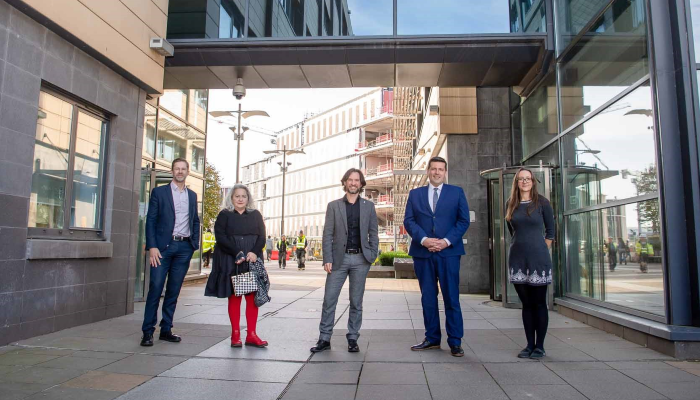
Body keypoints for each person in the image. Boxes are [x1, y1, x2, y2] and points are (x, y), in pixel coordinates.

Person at [404, 156, 470, 357]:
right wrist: (424, 240)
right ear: (428, 171)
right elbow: (409, 221)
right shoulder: (415, 194)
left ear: (445, 171)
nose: (437, 172)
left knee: (452, 297)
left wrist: (445, 241)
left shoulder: (456, 193)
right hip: (423, 253)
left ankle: (455, 341)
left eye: (441, 169)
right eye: (433, 169)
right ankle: (432, 338)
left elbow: (463, 221)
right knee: (428, 298)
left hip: (449, 253)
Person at [310, 168, 378, 353]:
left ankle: (353, 338)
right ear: (345, 182)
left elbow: (373, 233)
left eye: (357, 180)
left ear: (361, 184)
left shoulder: (369, 206)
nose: (353, 183)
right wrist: (327, 258)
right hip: (338, 260)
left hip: (361, 260)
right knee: (329, 299)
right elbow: (327, 234)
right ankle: (324, 338)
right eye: (350, 180)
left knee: (356, 301)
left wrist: (372, 255)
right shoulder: (334, 206)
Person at [141, 158, 201, 347]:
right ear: (172, 171)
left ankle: (166, 329)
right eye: (177, 169)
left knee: (174, 291)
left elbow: (195, 221)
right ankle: (148, 332)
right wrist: (152, 247)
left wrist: (193, 245)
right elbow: (150, 221)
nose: (180, 172)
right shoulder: (159, 192)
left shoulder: (192, 195)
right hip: (162, 250)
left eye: (183, 169)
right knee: (156, 288)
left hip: (184, 249)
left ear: (187, 172)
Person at [204, 184, 268, 348]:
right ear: (231, 198)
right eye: (237, 196)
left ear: (248, 199)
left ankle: (252, 335)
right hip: (231, 260)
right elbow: (221, 237)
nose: (240, 199)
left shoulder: (255, 215)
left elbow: (262, 236)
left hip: (251, 261)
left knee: (252, 299)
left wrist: (254, 252)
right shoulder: (224, 215)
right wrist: (237, 253)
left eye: (243, 196)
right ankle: (235, 335)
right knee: (234, 297)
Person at [505, 168, 555, 360]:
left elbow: (550, 231)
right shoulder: (511, 203)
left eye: (528, 179)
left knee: (539, 303)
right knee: (526, 304)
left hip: (538, 259)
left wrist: (541, 250)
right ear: (516, 182)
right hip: (518, 258)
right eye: (521, 179)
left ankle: (540, 346)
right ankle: (529, 345)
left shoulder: (542, 202)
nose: (524, 182)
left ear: (533, 181)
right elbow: (513, 231)